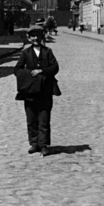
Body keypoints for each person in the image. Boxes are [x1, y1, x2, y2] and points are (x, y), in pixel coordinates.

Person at [14, 25, 61, 156]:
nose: (35, 38)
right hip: (30, 92)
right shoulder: (26, 53)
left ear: (42, 37)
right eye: (33, 36)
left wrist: (42, 71)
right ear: (29, 38)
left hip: (45, 91)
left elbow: (55, 67)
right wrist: (29, 75)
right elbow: (17, 70)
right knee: (31, 119)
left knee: (44, 119)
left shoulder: (48, 52)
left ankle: (44, 144)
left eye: (38, 36)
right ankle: (34, 144)